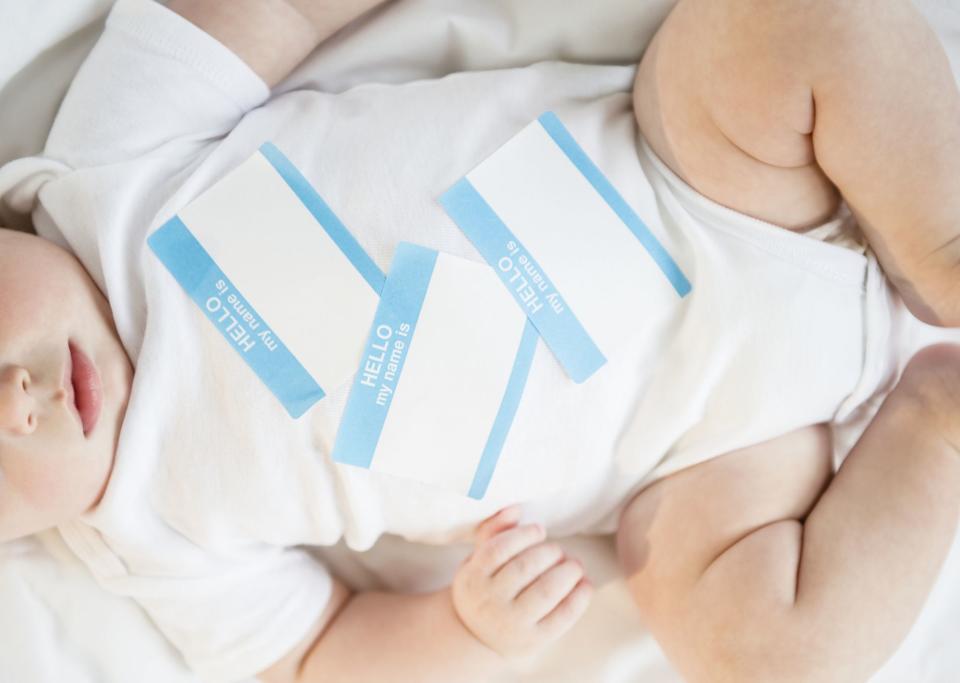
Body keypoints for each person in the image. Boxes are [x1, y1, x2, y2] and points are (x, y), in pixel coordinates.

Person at [0, 0, 956, 681]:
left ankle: (945, 249)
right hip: (701, 459)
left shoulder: (105, 163)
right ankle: (937, 424)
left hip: (703, 175)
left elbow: (280, 11)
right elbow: (314, 655)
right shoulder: (144, 537)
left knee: (794, 22)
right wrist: (467, 632)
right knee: (764, 653)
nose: (12, 398)